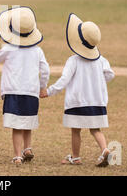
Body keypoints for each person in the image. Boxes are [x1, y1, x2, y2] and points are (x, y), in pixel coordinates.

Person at [40, 13, 115, 167]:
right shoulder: (101, 60)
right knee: (95, 129)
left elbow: (64, 80)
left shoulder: (73, 60)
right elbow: (110, 74)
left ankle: (75, 157)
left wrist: (49, 91)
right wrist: (97, 82)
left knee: (76, 130)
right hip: (97, 101)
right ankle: (105, 149)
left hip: (77, 102)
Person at [0, 7, 49, 165]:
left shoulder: (8, 48)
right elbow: (45, 69)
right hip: (31, 93)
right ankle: (28, 148)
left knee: (16, 126)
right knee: (28, 122)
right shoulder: (37, 50)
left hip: (13, 92)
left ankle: (18, 156)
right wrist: (42, 87)